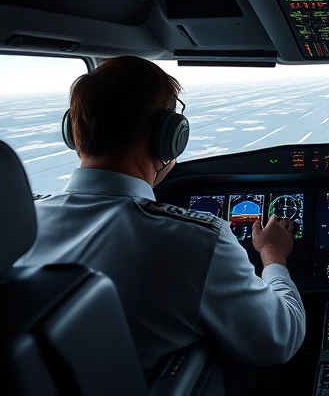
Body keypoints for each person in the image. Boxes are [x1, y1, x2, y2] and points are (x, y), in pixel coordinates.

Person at [15, 56, 305, 384]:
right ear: (168, 137)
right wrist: (273, 257)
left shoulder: (18, 225)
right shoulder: (195, 241)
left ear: (74, 132)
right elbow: (280, 339)